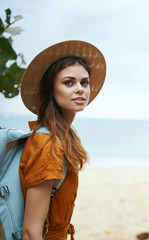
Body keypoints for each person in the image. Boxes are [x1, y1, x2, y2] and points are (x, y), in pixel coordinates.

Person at [19, 40, 106, 240]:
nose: (80, 89)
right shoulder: (47, 144)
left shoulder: (64, 136)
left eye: (84, 82)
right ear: (51, 89)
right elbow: (31, 232)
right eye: (69, 82)